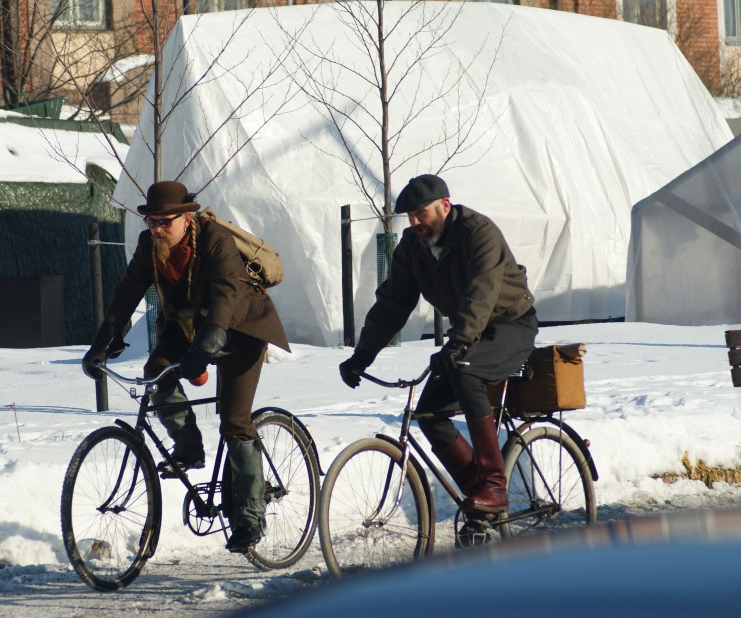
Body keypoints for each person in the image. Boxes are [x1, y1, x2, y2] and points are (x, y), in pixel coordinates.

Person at [81, 180, 290, 552]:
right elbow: (127, 292)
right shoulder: (150, 246)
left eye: (166, 222)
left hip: (241, 328)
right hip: (189, 325)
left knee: (234, 420)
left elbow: (227, 294)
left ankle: (249, 517)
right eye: (152, 222)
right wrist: (103, 341)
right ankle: (189, 447)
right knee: (155, 372)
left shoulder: (214, 239)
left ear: (186, 218)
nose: (158, 229)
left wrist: (207, 346)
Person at [339, 174, 538, 514]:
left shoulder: (478, 232)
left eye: (422, 213)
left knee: (465, 373)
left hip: (510, 325)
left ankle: (494, 486)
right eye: (410, 216)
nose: (415, 222)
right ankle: (478, 498)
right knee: (429, 413)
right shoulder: (412, 248)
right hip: (469, 333)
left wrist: (458, 344)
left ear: (445, 205)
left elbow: (481, 294)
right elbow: (392, 305)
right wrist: (362, 355)